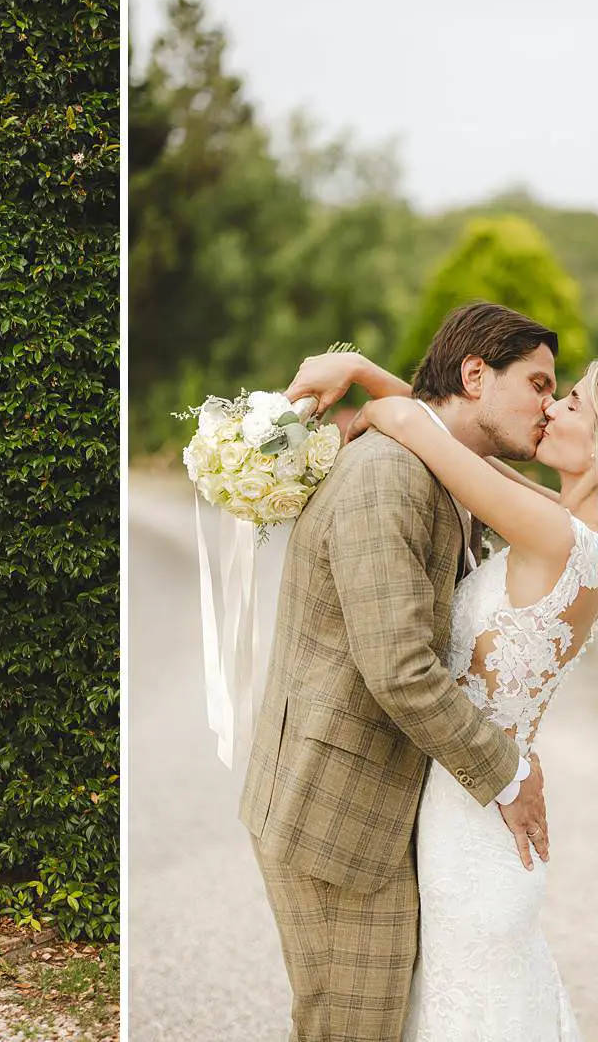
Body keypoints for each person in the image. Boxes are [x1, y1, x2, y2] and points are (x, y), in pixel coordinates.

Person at [285, 328, 598, 1040]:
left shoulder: (556, 537)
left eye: (572, 403)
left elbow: (418, 428)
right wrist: (367, 371)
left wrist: (367, 387)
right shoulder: (577, 535)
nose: (551, 408)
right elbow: (454, 438)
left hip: (471, 824)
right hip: (478, 805)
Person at [240, 302, 557, 1042]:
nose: (548, 404)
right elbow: (400, 666)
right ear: (475, 375)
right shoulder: (390, 474)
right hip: (339, 818)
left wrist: (363, 372)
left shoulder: (443, 465)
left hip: (381, 810)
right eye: (539, 384)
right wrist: (507, 774)